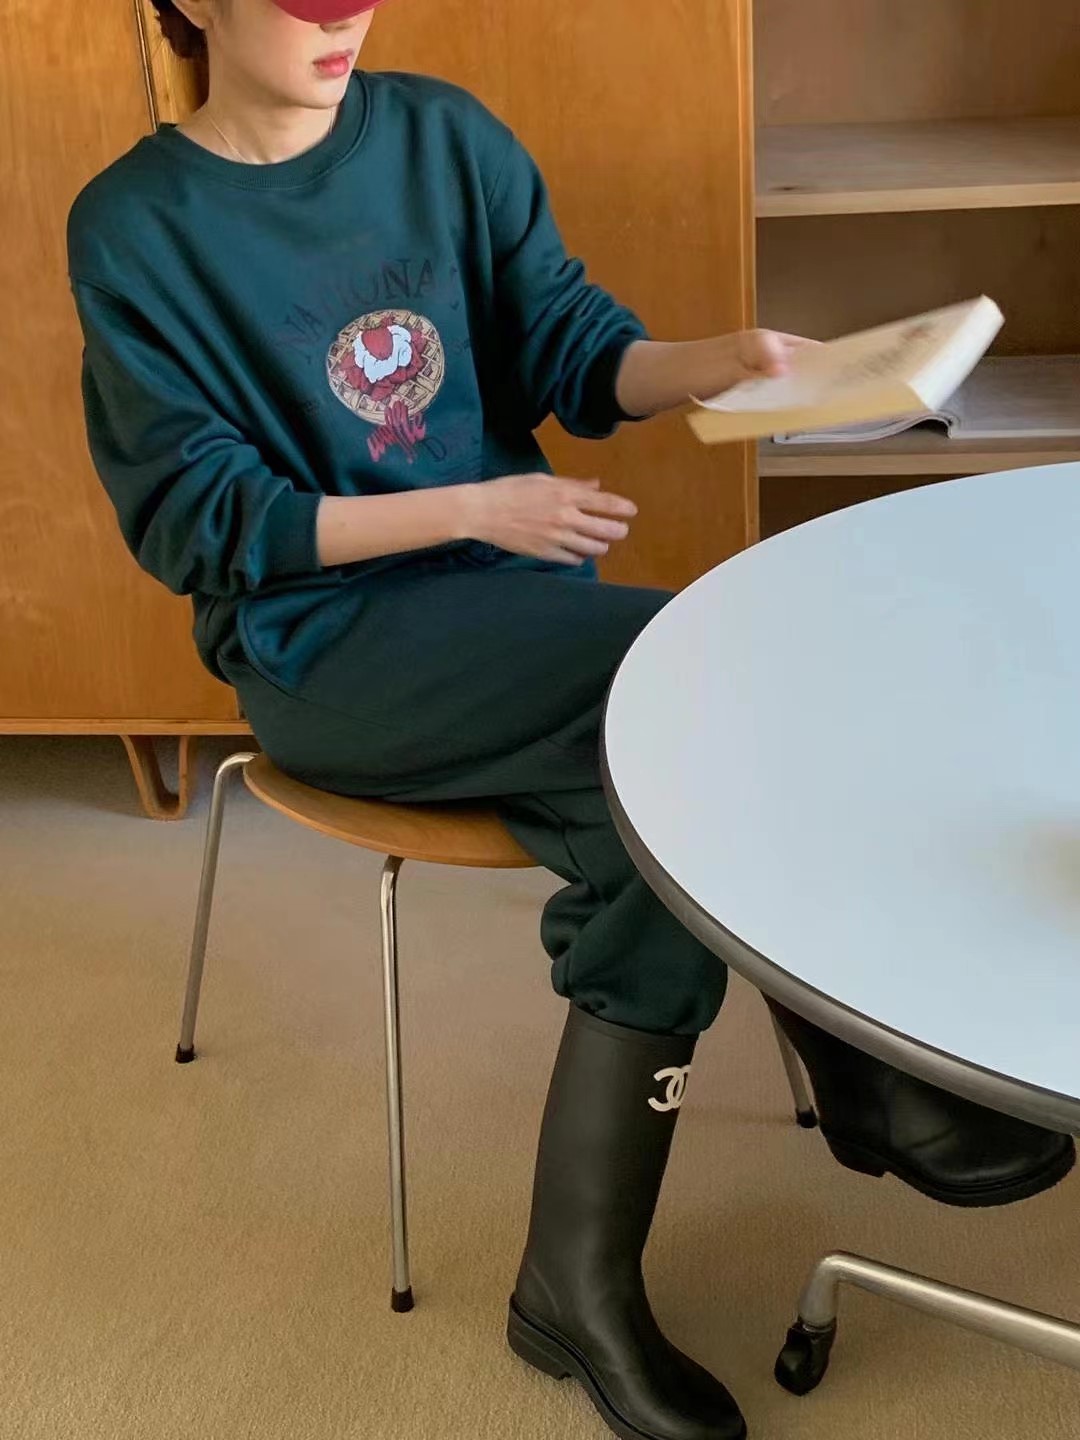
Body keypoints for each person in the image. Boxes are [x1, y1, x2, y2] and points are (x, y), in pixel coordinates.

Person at [67, 3, 1075, 1436]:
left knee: (643, 826)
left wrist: (718, 360)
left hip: (509, 610)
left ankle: (579, 1280)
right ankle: (853, 1078)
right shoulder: (135, 226)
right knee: (700, 683)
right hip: (322, 644)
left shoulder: (444, 138)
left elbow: (570, 350)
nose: (344, 15)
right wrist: (472, 507)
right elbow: (197, 518)